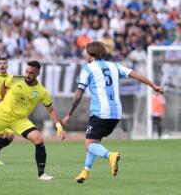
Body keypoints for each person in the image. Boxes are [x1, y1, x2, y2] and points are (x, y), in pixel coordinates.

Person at [61, 42, 163, 183]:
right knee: (95, 142)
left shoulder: (88, 69)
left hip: (100, 112)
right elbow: (135, 74)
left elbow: (78, 95)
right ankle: (85, 172)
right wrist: (153, 85)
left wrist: (69, 114)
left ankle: (110, 155)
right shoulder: (114, 66)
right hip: (116, 113)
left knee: (89, 145)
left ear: (90, 54)